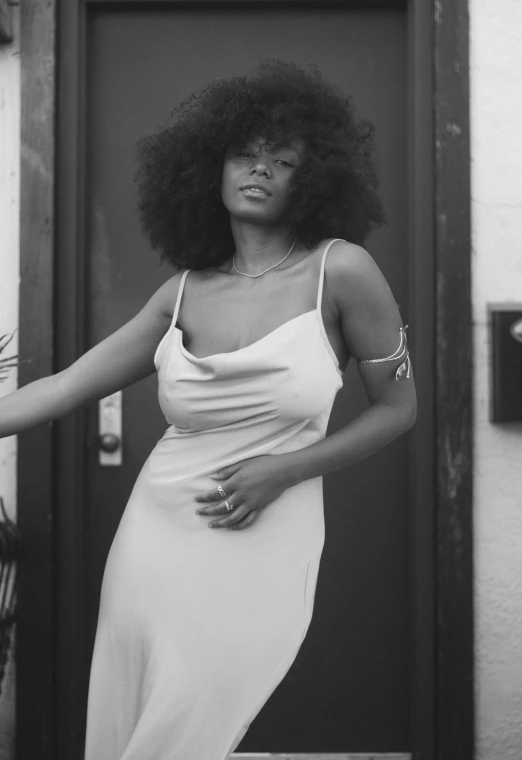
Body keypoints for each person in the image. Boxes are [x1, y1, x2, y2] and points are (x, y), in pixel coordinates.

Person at [0, 60, 416, 759]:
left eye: (283, 160)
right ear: (208, 171)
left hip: (269, 531)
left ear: (312, 179)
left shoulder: (340, 272)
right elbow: (66, 386)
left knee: (194, 717)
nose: (260, 170)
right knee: (139, 719)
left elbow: (398, 410)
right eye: (244, 156)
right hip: (156, 537)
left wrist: (283, 470)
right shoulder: (182, 292)